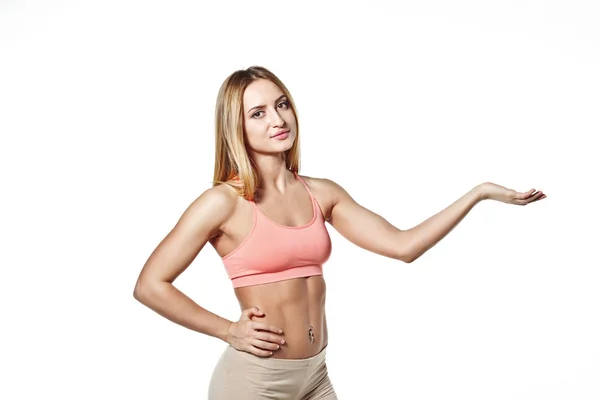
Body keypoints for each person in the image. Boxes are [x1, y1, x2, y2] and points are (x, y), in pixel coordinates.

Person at [133, 66, 547, 399]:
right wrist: (227, 329)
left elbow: (403, 246)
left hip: (314, 376)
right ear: (235, 127)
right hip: (256, 381)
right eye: (257, 113)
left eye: (282, 105)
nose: (277, 120)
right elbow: (150, 285)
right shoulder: (222, 202)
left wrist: (478, 194)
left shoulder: (321, 193)